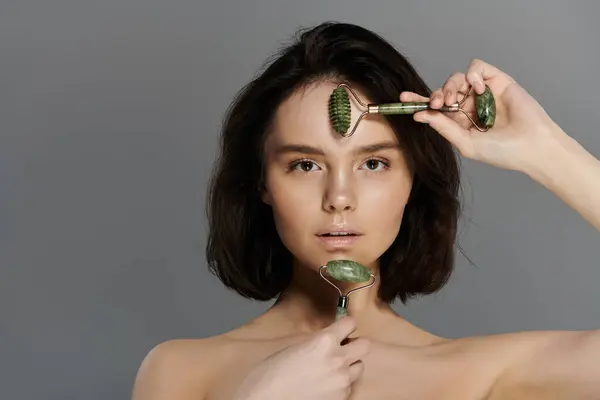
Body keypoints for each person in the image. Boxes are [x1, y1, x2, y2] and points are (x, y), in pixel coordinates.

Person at [131, 22, 600, 399]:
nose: (339, 197)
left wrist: (544, 150)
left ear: (411, 181)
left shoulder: (483, 375)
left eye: (373, 163)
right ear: (262, 184)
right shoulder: (180, 371)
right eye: (306, 164)